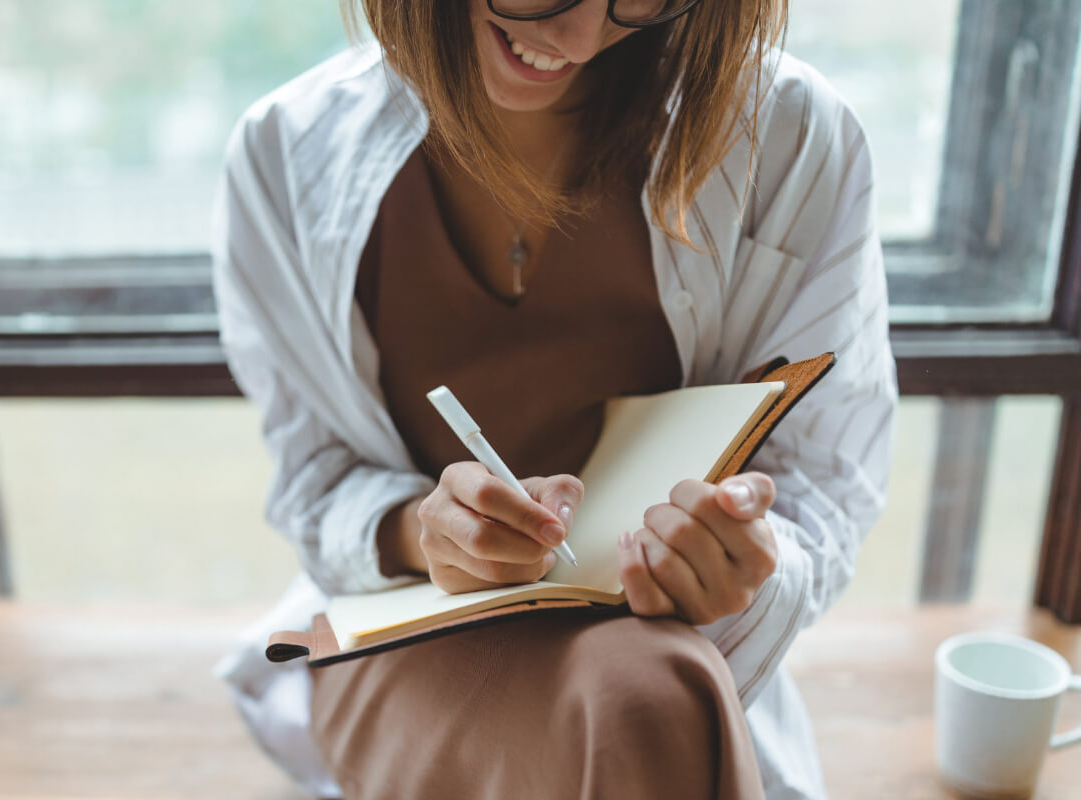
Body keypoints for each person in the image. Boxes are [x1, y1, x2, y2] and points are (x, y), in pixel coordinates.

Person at [212, 0, 897, 798]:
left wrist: (746, 566)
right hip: (403, 631)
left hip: (667, 639)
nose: (577, 37)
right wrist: (425, 535)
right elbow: (315, 478)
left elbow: (823, 478)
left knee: (642, 689)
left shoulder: (790, 136)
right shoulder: (284, 155)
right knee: (648, 702)